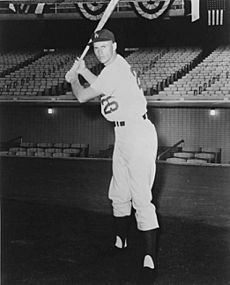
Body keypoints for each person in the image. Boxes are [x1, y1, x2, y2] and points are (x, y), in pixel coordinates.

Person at [66, 29, 159, 281]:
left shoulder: (115, 69)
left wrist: (73, 78)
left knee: (140, 196)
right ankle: (120, 243)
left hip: (138, 133)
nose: (100, 51)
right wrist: (83, 70)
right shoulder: (114, 67)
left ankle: (150, 258)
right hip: (123, 134)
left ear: (115, 46)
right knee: (119, 192)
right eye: (97, 48)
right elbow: (101, 84)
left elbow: (83, 96)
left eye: (104, 47)